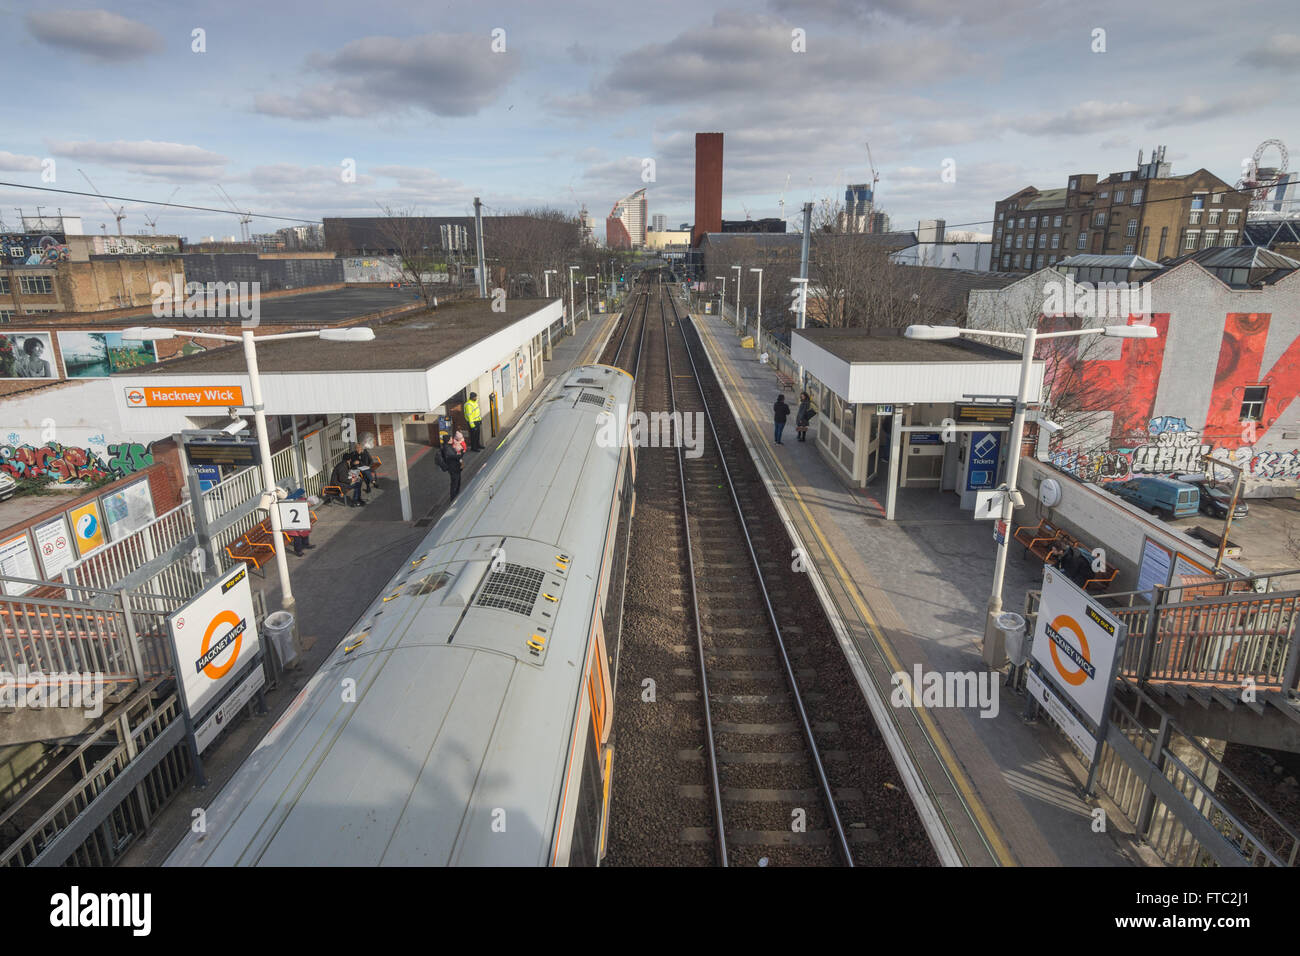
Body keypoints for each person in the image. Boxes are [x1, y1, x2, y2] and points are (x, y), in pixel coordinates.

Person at [441, 434, 464, 502]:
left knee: (457, 482)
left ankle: (456, 496)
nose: (452, 439)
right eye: (450, 439)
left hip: (456, 467)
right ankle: (453, 498)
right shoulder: (447, 449)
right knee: (455, 483)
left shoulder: (449, 447)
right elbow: (454, 456)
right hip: (453, 468)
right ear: (448, 441)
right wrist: (461, 453)